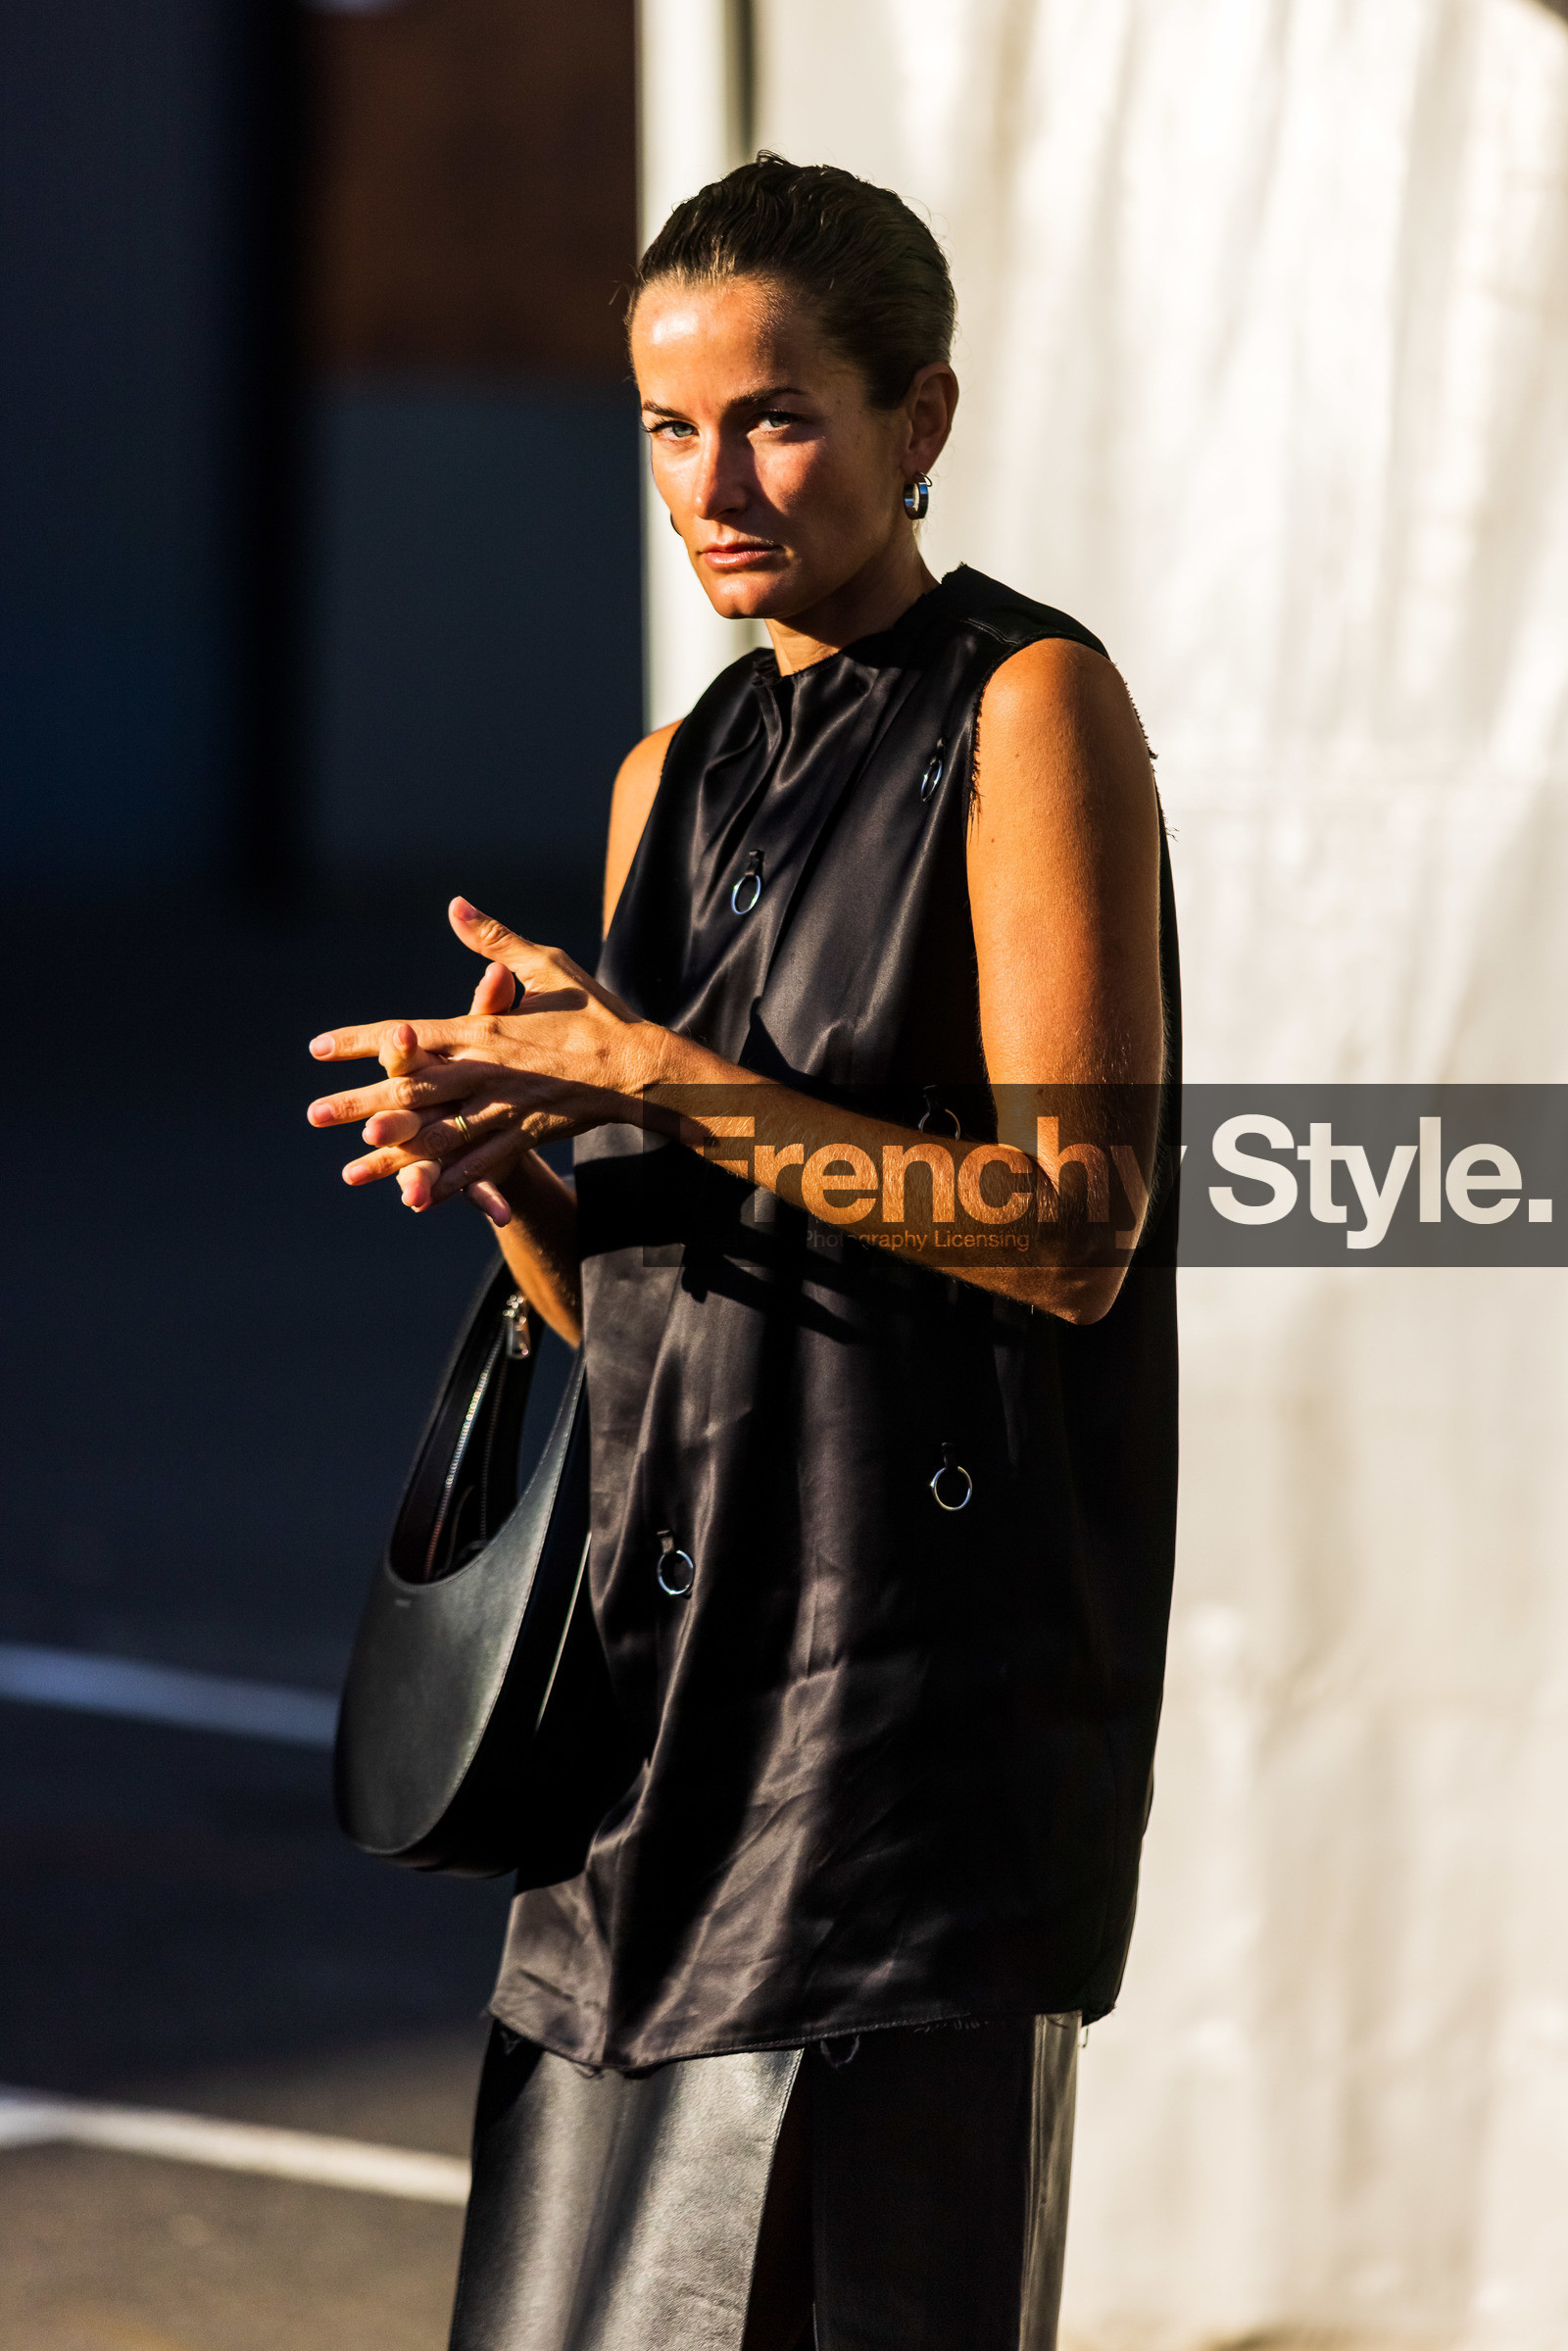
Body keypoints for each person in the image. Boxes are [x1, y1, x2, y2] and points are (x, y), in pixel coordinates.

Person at [307, 156, 1179, 2351]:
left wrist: (657, 1081)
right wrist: (515, 1161)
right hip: (647, 1733)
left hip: (904, 1736)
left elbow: (1071, 1233)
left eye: (777, 416)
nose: (717, 481)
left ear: (920, 420)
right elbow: (637, 1324)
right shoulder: (662, 776)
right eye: (667, 426)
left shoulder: (1026, 709)